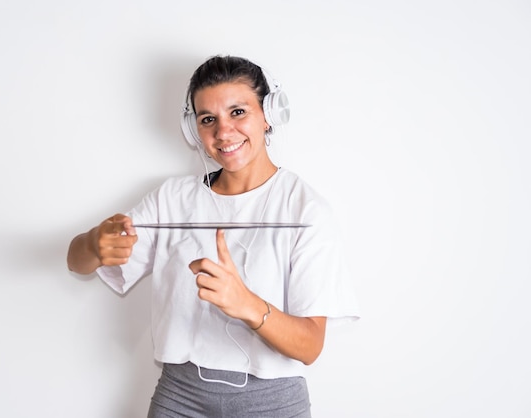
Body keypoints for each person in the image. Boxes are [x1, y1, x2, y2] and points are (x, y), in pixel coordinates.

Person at [67, 55, 360, 417]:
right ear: (194, 131)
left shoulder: (306, 209)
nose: (223, 132)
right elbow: (76, 262)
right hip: (180, 397)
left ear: (269, 113)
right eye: (209, 119)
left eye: (238, 112)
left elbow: (310, 346)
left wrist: (248, 305)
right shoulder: (171, 199)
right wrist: (93, 243)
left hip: (272, 403)